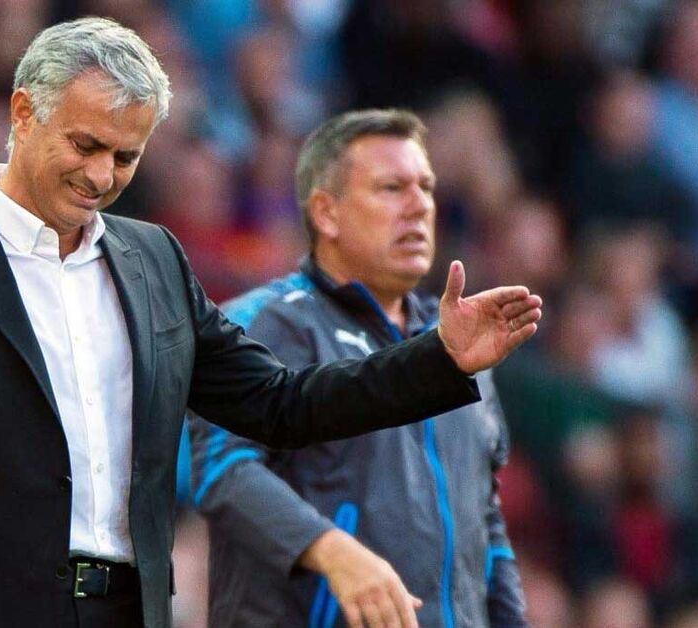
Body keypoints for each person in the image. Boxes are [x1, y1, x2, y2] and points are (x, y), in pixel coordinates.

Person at [0, 19, 542, 628]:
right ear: (22, 112)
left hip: (128, 612)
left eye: (125, 156)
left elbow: (282, 405)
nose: (101, 174)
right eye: (85, 144)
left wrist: (438, 359)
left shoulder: (155, 261)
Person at [189, 109, 528, 628]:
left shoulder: (460, 344)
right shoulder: (260, 324)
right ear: (326, 213)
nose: (419, 205)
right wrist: (330, 549)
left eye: (426, 187)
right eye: (392, 188)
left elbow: (486, 521)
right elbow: (218, 470)